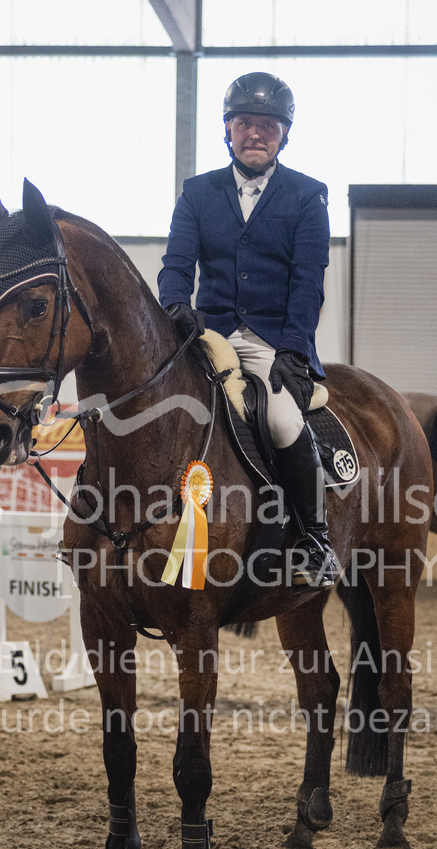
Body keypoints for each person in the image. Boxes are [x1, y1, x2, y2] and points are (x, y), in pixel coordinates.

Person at [158, 71, 337, 587]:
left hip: (268, 342)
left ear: (284, 134)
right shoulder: (198, 192)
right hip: (207, 335)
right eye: (244, 124)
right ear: (228, 130)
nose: (255, 134)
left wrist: (293, 349)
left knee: (281, 419)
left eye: (268, 126)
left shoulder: (307, 195)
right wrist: (175, 306)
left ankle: (314, 540)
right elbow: (176, 263)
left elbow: (308, 281)